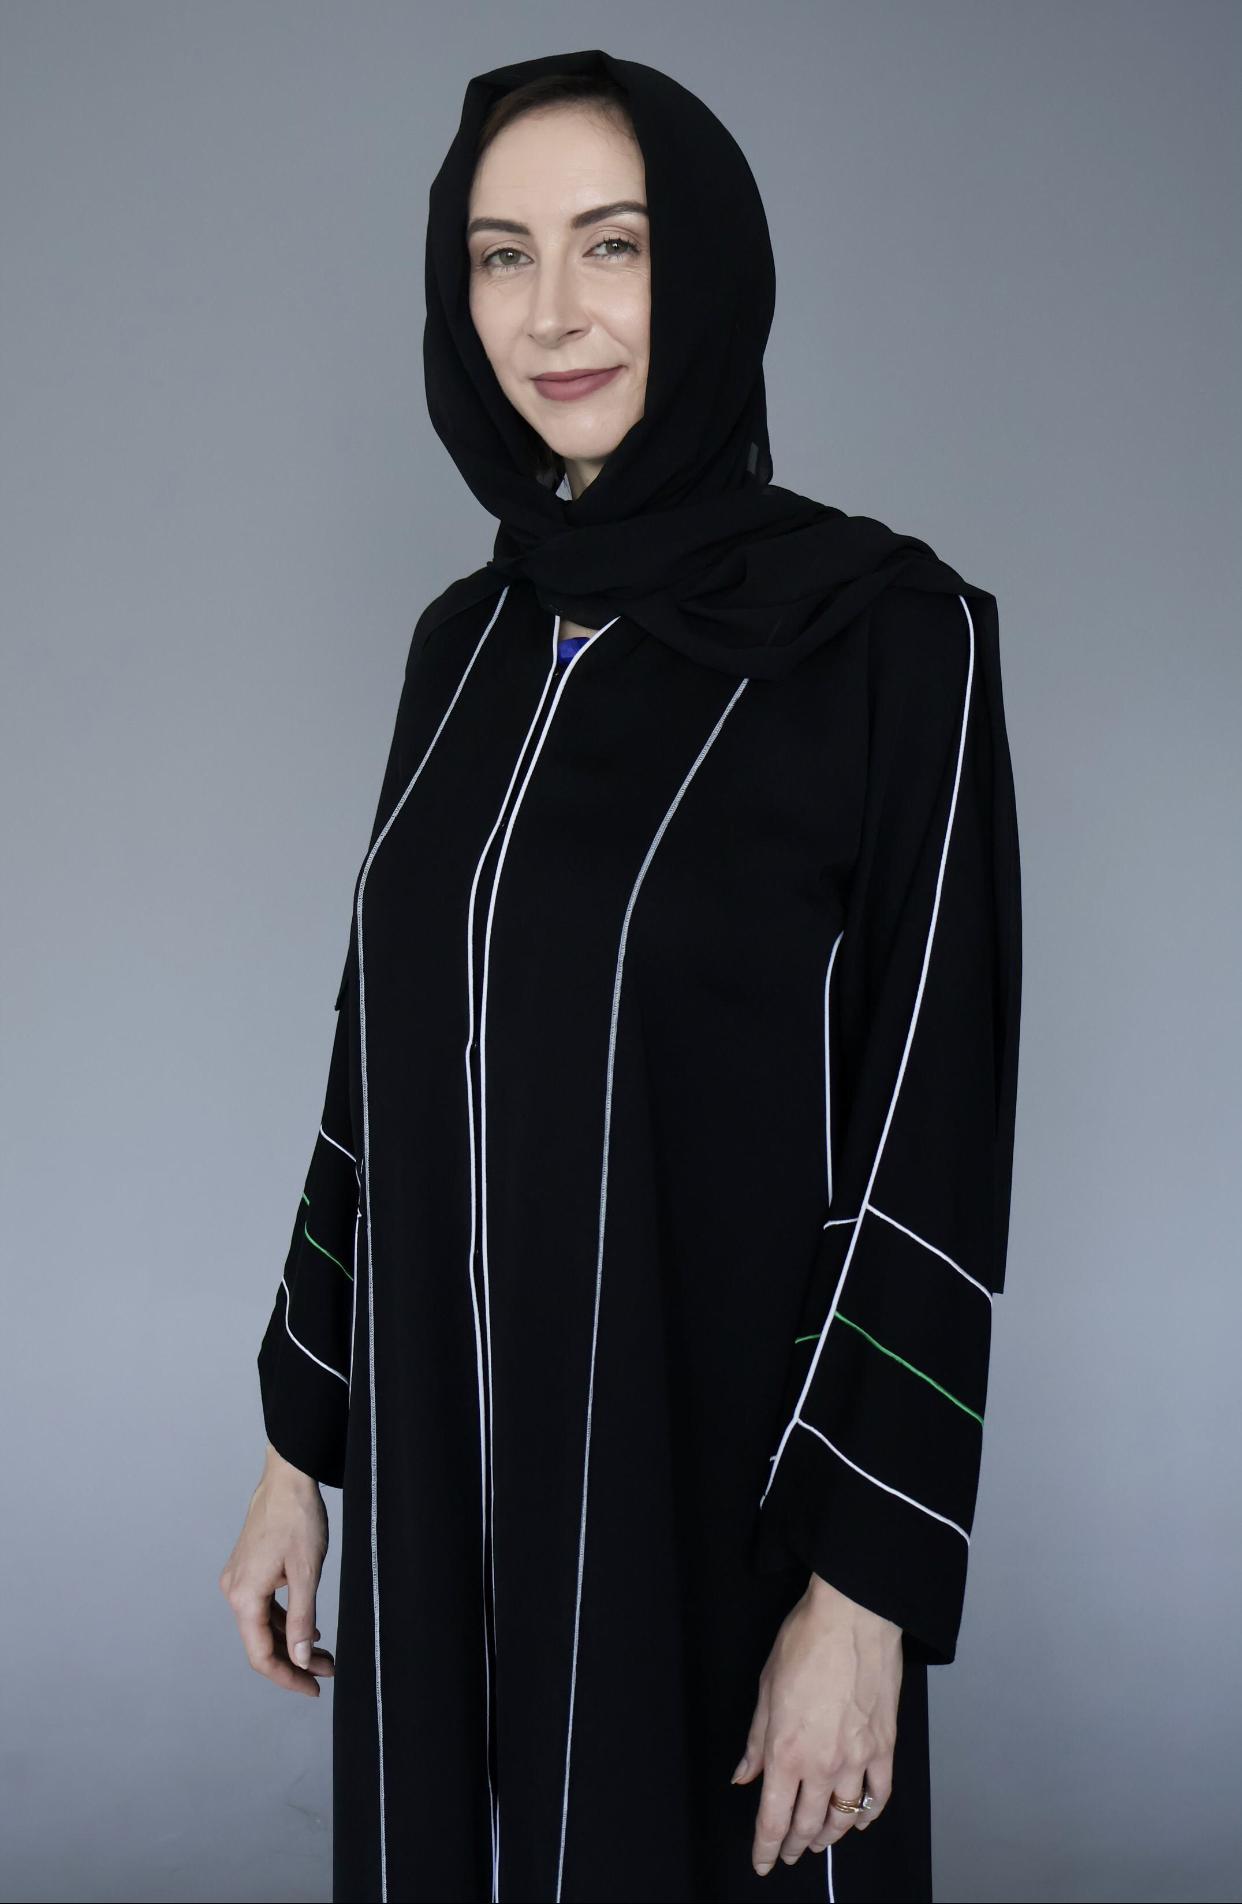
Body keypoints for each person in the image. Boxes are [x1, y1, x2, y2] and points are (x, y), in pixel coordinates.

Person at [219, 47, 1022, 1904]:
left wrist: (862, 1594)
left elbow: (931, 1131)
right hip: (442, 1494)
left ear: (710, 269)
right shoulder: (465, 647)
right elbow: (376, 1064)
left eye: (614, 245)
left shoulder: (888, 639)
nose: (551, 314)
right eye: (501, 256)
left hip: (718, 1506)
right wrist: (295, 1452)